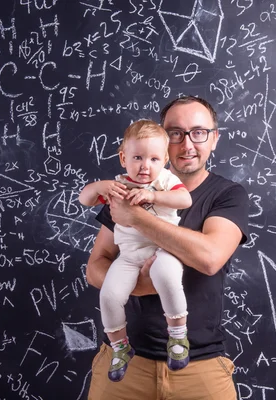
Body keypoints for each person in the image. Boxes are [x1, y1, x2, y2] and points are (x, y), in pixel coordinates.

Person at [86, 96, 249, 400]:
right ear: (161, 139)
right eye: (175, 133)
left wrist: (136, 216)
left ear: (214, 139)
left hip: (200, 367)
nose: (187, 144)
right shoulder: (126, 187)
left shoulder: (227, 195)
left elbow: (210, 258)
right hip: (123, 368)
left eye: (199, 132)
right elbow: (96, 266)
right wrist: (138, 285)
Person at [79, 119, 193, 382]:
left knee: (166, 275)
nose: (145, 166)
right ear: (123, 158)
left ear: (165, 160)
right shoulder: (118, 185)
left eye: (154, 159)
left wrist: (153, 197)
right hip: (129, 256)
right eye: (138, 157)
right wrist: (99, 187)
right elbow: (84, 199)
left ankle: (177, 337)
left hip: (164, 249)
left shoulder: (165, 181)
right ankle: (120, 347)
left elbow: (184, 199)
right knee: (109, 294)